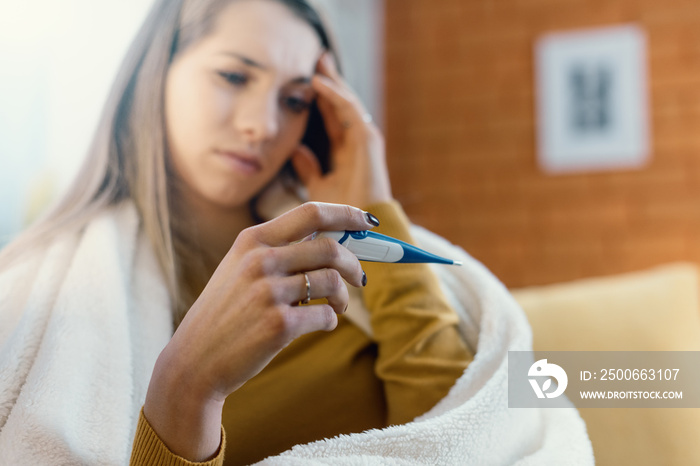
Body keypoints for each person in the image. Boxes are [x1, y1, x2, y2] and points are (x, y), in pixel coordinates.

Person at [0, 0, 472, 464]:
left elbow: (472, 434)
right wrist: (186, 390)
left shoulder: (339, 266)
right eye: (234, 76)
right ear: (157, 72)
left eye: (294, 100)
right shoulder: (36, 299)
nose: (262, 126)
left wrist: (374, 209)